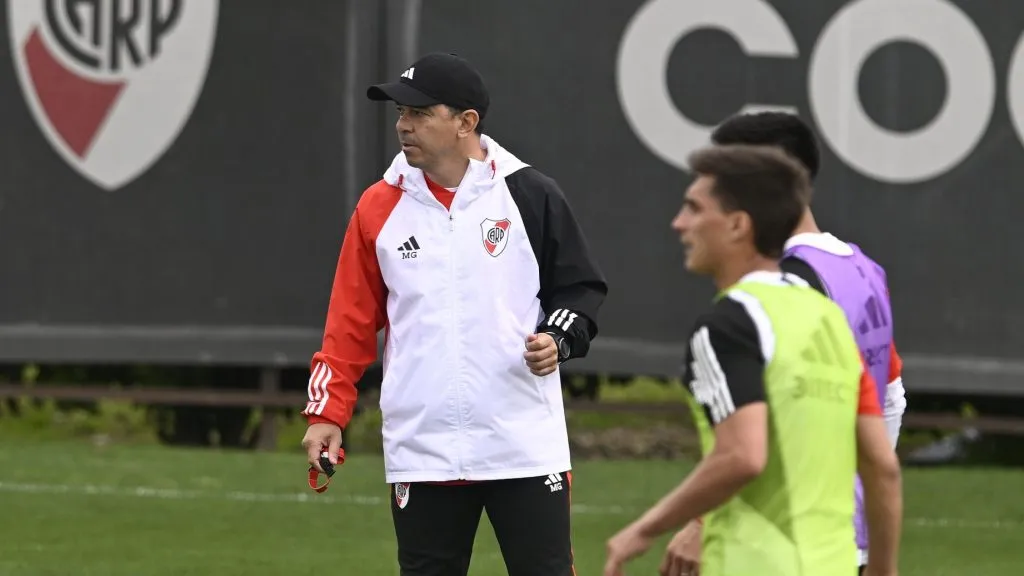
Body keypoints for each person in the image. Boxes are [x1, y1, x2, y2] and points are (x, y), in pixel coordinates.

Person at [298, 51, 607, 576]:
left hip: (523, 444)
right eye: (400, 112)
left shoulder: (530, 194)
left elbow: (579, 290)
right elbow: (348, 322)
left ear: (467, 123)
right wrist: (328, 413)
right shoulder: (378, 206)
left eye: (419, 112)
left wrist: (559, 338)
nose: (403, 125)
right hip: (423, 447)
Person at [603, 144, 903, 576]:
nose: (679, 223)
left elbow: (743, 455)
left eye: (693, 208)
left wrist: (644, 530)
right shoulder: (829, 319)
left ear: (738, 225)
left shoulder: (729, 323)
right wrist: (883, 570)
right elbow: (882, 468)